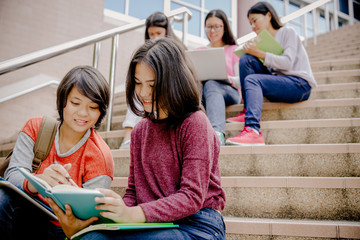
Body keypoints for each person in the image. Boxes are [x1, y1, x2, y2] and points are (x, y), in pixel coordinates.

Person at [49, 38, 226, 240]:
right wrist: (114, 209)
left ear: (174, 81)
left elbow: (192, 197)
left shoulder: (195, 122)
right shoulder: (139, 131)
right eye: (138, 83)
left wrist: (133, 214)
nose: (143, 92)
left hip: (198, 224)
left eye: (152, 84)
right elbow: (133, 193)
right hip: (152, 223)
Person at [0, 65, 114, 240]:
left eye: (93, 107)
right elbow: (12, 174)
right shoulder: (36, 127)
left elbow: (93, 215)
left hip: (61, 227)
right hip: (25, 209)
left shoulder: (101, 155)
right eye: (76, 103)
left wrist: (75, 197)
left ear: (101, 112)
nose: (83, 113)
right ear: (63, 101)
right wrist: (39, 181)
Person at [226, 2, 317, 146]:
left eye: (255, 20)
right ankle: (247, 110)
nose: (253, 26)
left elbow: (287, 62)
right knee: (246, 59)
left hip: (299, 84)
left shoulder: (288, 32)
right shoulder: (264, 41)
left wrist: (259, 53)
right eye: (250, 23)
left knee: (252, 80)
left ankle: (253, 130)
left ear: (268, 15)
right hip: (280, 82)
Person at [120, 11, 186, 149]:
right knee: (139, 87)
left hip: (171, 95)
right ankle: (128, 136)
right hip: (151, 106)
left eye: (158, 33)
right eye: (151, 34)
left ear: (167, 32)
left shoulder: (179, 50)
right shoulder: (146, 55)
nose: (154, 38)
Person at [199, 9, 241, 146]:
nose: (212, 31)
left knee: (211, 83)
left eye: (216, 26)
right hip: (204, 93)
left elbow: (241, 81)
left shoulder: (234, 49)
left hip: (230, 92)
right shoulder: (199, 51)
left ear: (224, 27)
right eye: (209, 26)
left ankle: (217, 134)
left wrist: (225, 77)